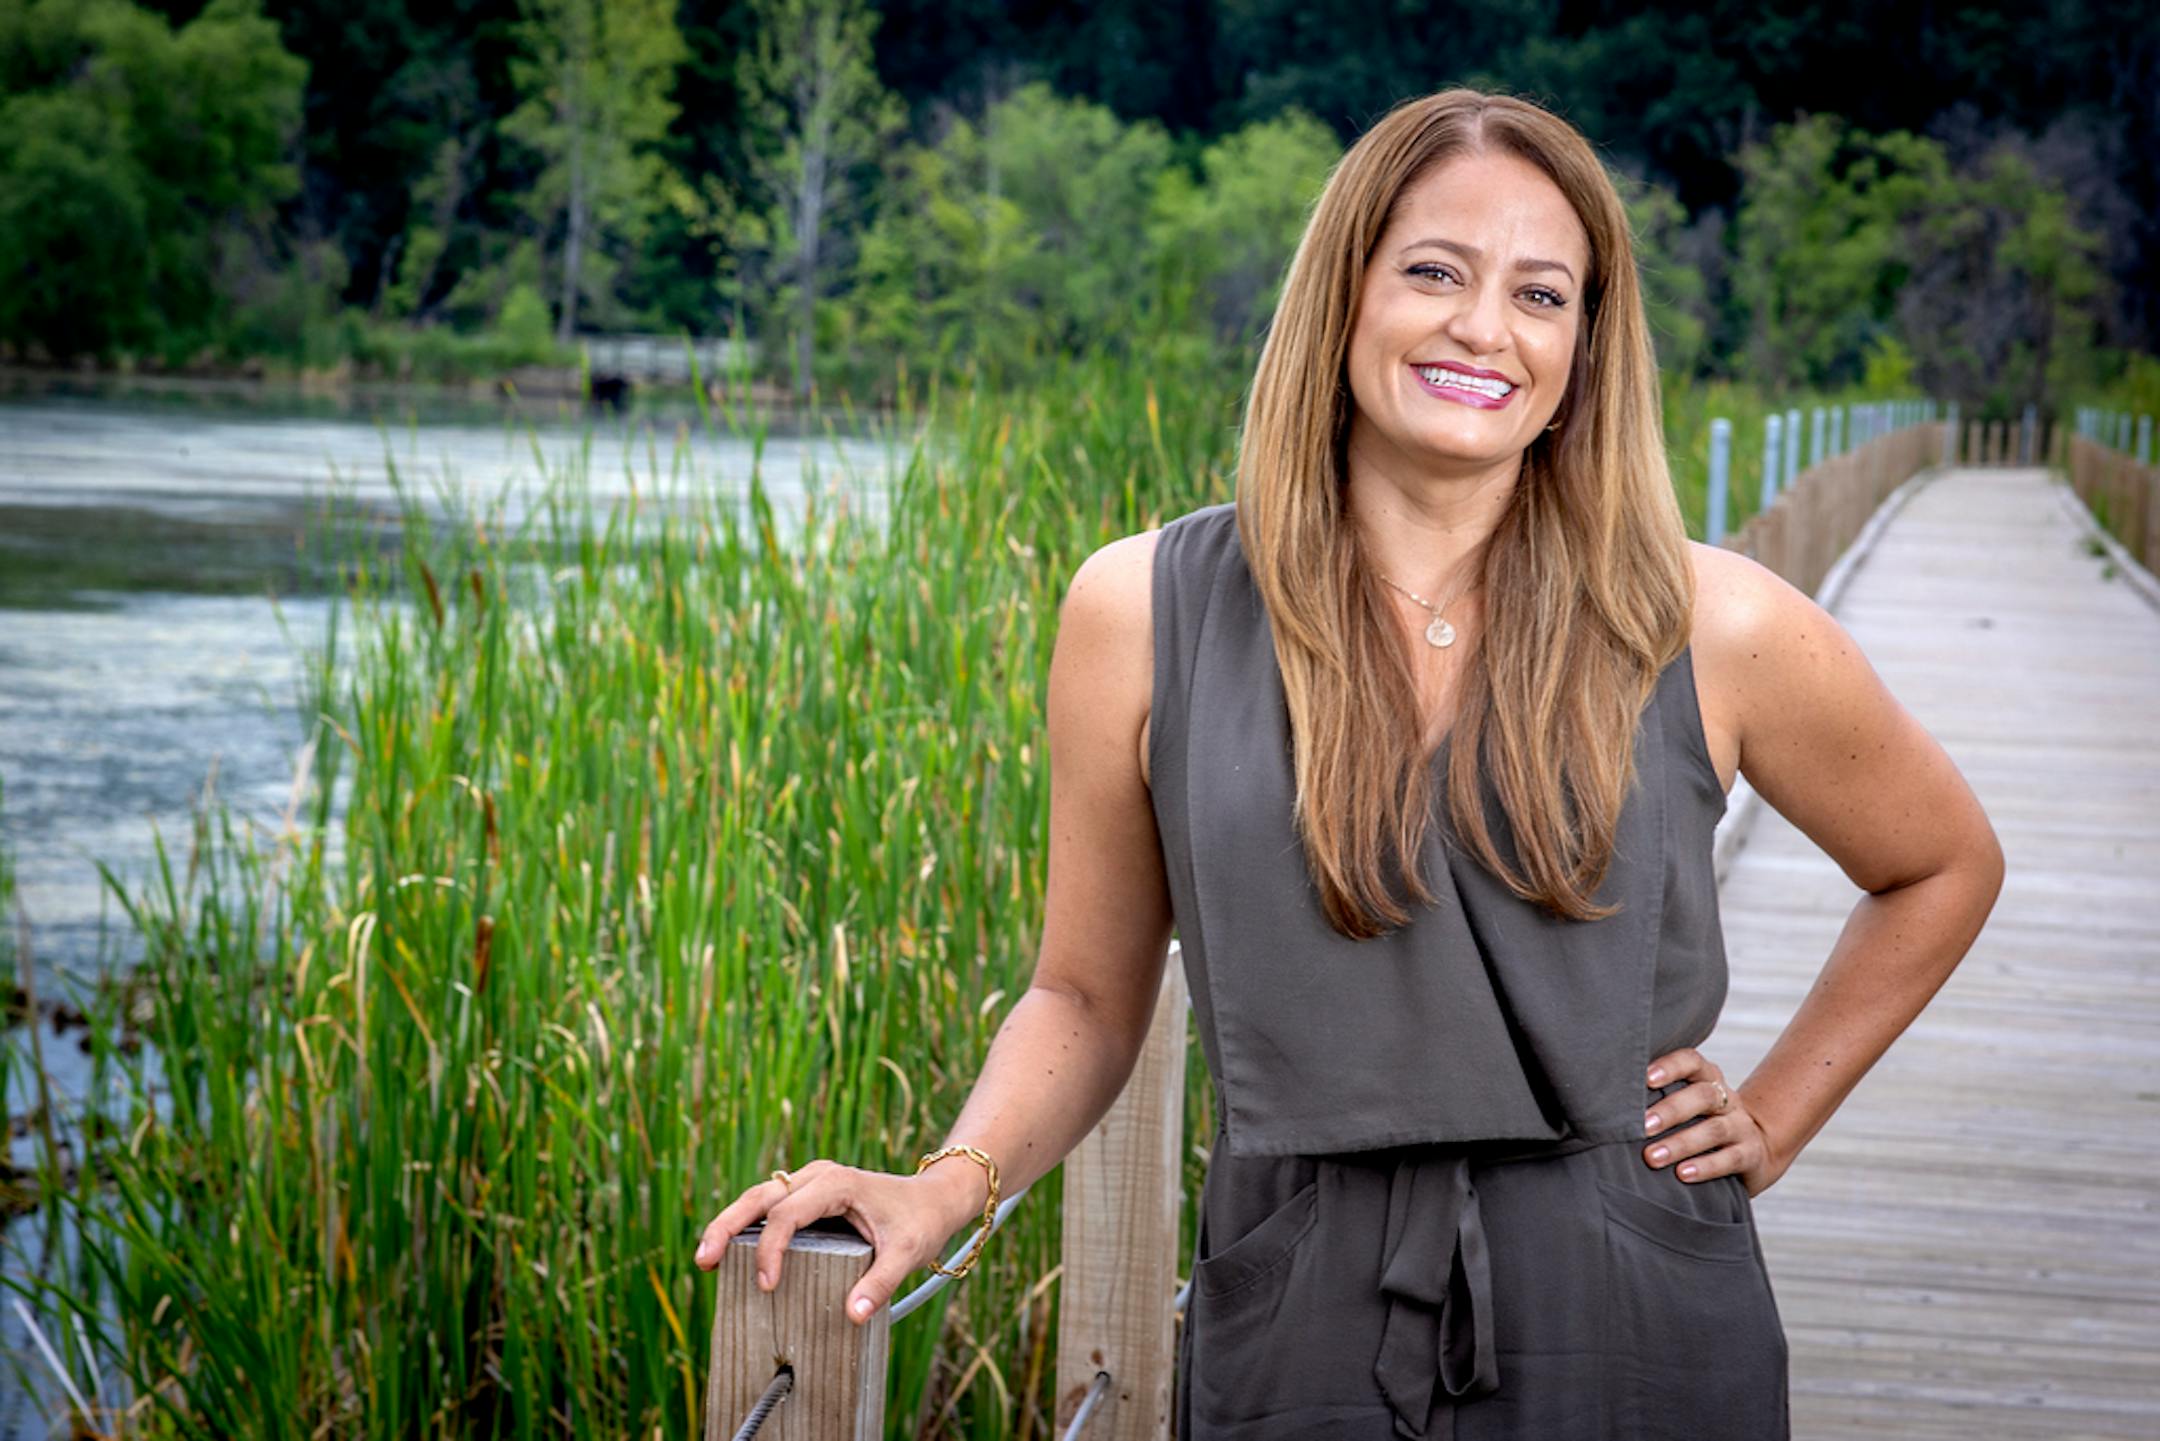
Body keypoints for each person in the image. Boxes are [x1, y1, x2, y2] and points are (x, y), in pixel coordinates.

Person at [693, 86, 2005, 1438]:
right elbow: (1086, 993)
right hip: (1297, 1289)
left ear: (1585, 354)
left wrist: (1778, 1116)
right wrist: (943, 1182)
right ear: (1344, 297)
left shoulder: (1707, 618)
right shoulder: (1139, 611)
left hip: (1634, 1297)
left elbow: (1942, 862)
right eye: (1434, 271)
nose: (1483, 328)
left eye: (1540, 295)